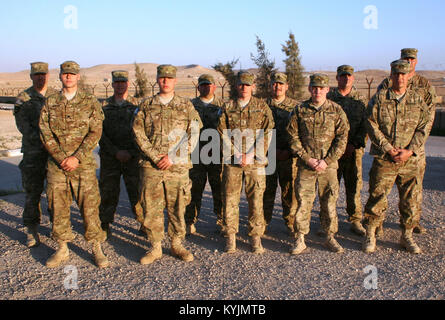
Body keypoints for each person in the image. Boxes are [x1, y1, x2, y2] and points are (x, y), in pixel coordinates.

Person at [39, 61, 109, 268]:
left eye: (72, 74)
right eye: (65, 74)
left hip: (84, 164)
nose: (68, 77)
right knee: (57, 207)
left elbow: (96, 131)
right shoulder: (51, 102)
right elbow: (44, 132)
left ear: (78, 77)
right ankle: (62, 248)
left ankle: (96, 247)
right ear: (60, 76)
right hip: (57, 166)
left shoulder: (89, 101)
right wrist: (61, 158)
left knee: (90, 207)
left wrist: (77, 157)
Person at [132, 64, 202, 265]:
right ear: (157, 79)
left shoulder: (186, 106)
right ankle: (155, 247)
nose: (165, 81)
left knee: (178, 206)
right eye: (162, 78)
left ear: (175, 81)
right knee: (151, 207)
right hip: (151, 166)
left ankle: (176, 243)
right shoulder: (146, 106)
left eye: (169, 79)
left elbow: (194, 132)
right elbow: (138, 133)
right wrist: (155, 156)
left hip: (177, 166)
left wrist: (172, 156)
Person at [363, 60, 429, 254]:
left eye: (403, 74)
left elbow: (424, 128)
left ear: (409, 76)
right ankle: (371, 233)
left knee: (410, 199)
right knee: (377, 197)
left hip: (410, 160)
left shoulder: (417, 100)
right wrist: (387, 148)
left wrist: (409, 150)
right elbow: (371, 124)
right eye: (396, 74)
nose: (400, 78)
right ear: (391, 75)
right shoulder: (380, 98)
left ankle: (406, 235)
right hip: (386, 158)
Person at [375, 49, 437, 236]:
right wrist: (388, 147)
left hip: (414, 147)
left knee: (413, 188)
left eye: (412, 59)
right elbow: (377, 113)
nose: (409, 62)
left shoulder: (424, 85)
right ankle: (378, 222)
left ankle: (412, 222)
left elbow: (428, 118)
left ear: (416, 62)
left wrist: (411, 149)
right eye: (405, 59)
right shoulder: (387, 83)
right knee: (381, 188)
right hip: (390, 146)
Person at [287, 74, 349, 254]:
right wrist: (307, 158)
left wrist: (327, 161)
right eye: (314, 87)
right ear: (309, 89)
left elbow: (342, 138)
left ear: (328, 90)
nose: (317, 91)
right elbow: (292, 137)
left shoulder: (336, 111)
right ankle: (300, 238)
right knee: (303, 202)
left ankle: (330, 237)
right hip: (306, 165)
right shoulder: (299, 110)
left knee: (329, 201)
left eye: (321, 88)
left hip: (328, 167)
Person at [217, 71, 275, 254]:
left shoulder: (262, 107)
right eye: (241, 84)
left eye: (248, 85)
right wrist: (236, 154)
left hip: (255, 162)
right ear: (236, 86)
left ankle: (256, 238)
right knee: (230, 199)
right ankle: (231, 237)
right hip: (232, 162)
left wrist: (251, 154)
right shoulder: (228, 107)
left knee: (256, 199)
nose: (244, 88)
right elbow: (221, 132)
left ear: (253, 87)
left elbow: (268, 131)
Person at [14, 62, 56, 247]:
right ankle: (31, 229)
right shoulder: (23, 98)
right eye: (37, 74)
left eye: (43, 74)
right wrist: (43, 141)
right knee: (33, 192)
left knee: (57, 192)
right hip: (33, 152)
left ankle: (58, 227)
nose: (41, 77)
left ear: (48, 75)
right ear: (31, 76)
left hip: (54, 153)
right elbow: (22, 125)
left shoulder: (57, 96)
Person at [98, 70, 144, 239]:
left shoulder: (137, 106)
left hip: (132, 157)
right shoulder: (103, 106)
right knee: (108, 192)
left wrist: (131, 152)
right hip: (110, 157)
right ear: (112, 84)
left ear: (128, 84)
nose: (120, 85)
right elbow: (98, 132)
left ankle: (144, 224)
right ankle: (105, 224)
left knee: (137, 193)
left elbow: (142, 131)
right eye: (117, 82)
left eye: (123, 82)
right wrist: (115, 152)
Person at [327, 65, 367, 236]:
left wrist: (353, 145)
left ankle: (355, 220)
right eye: (343, 76)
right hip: (332, 152)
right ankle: (328, 220)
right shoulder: (328, 98)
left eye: (349, 76)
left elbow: (365, 125)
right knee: (330, 187)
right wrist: (336, 148)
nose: (346, 79)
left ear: (353, 78)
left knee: (354, 186)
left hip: (353, 151)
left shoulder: (360, 100)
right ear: (337, 78)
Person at [185, 74, 224, 234]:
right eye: (203, 85)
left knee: (220, 189)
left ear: (215, 87)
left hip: (217, 155)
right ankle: (189, 221)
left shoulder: (223, 106)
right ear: (198, 87)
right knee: (194, 189)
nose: (206, 87)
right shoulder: (190, 106)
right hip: (196, 155)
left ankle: (222, 220)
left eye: (209, 84)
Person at [263, 72, 299, 234]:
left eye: (281, 84)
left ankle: (290, 222)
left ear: (286, 86)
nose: (277, 87)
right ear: (271, 85)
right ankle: (263, 221)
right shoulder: (262, 106)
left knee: (289, 190)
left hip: (288, 156)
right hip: (266, 156)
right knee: (266, 189)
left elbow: (300, 133)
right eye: (275, 84)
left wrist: (289, 152)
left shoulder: (295, 107)